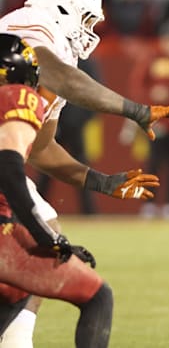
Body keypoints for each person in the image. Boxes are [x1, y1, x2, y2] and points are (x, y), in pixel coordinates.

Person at [0, 0, 169, 346]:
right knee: (66, 269)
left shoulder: (53, 49)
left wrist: (102, 181)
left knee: (44, 239)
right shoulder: (33, 24)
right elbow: (55, 72)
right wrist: (134, 110)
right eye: (87, 17)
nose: (90, 29)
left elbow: (40, 148)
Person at [0, 33, 112, 348]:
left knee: (15, 291)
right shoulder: (17, 97)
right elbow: (9, 173)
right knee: (98, 296)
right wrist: (50, 241)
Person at [120, 19, 169, 220]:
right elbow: (138, 86)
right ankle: (149, 204)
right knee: (153, 164)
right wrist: (151, 99)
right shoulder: (152, 59)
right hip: (156, 121)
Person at [37, 58, 102, 215]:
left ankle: (89, 211)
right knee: (47, 168)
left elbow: (96, 93)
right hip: (54, 123)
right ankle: (36, 209)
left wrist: (81, 120)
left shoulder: (84, 63)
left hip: (75, 126)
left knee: (80, 169)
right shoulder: (55, 58)